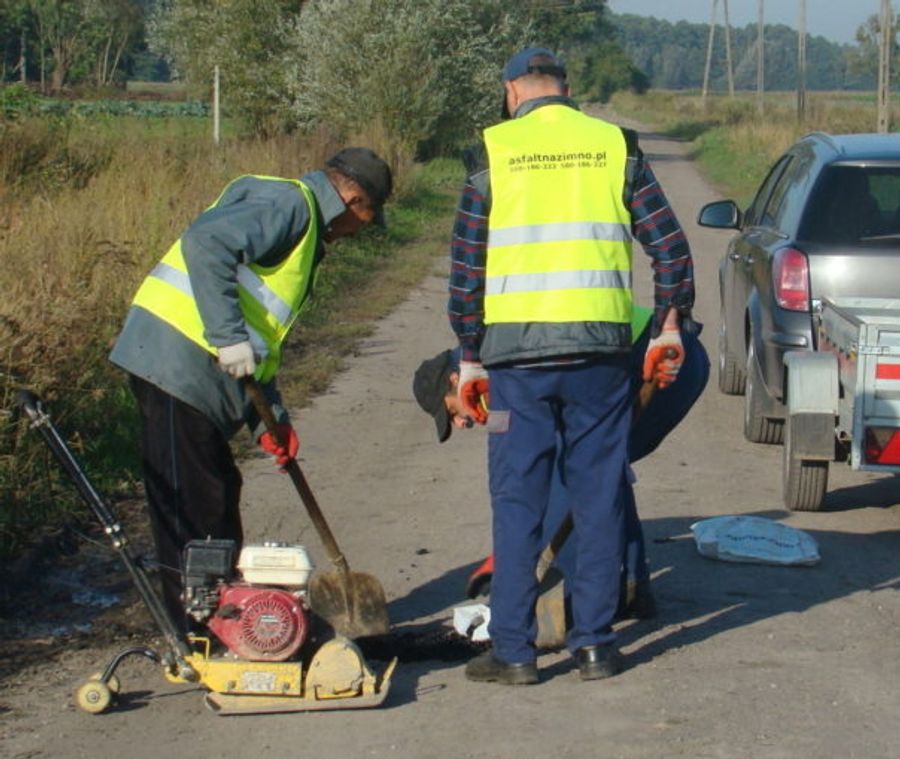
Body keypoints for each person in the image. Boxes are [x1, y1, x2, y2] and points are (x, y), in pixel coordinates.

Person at [447, 46, 695, 684]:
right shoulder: (614, 146)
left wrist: (469, 356)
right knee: (598, 494)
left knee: (517, 499)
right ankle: (594, 646)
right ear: (566, 88)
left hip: (516, 364)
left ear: (511, 93)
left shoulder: (493, 153)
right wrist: (668, 323)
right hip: (601, 359)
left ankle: (514, 652)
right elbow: (670, 248)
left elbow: (467, 271)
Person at [110, 148, 392, 631]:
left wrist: (270, 418)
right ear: (353, 198)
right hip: (176, 363)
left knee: (217, 494)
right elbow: (206, 244)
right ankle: (196, 635)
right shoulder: (292, 206)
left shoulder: (298, 219)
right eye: (367, 218)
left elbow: (260, 331)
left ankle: (218, 619)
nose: (360, 231)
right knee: (192, 506)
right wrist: (227, 338)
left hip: (193, 370)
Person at [413, 306, 709, 628]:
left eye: (451, 413)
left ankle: (576, 601)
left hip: (662, 359)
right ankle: (631, 589)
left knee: (573, 471)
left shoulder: (494, 363)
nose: (459, 423)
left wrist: (512, 566)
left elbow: (522, 473)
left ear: (456, 379)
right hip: (675, 354)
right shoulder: (493, 354)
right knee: (602, 471)